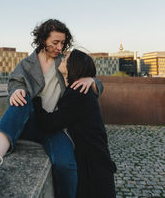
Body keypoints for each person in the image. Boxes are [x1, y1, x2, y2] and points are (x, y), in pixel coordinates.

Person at [0, 19, 101, 198]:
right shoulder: (25, 65)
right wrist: (16, 91)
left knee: (66, 166)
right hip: (30, 122)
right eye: (55, 42)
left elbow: (95, 81)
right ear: (43, 39)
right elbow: (14, 83)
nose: (59, 47)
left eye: (62, 43)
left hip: (56, 126)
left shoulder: (65, 62)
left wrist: (92, 80)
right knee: (20, 101)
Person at [33, 49, 117, 198]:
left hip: (93, 168)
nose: (63, 59)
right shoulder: (79, 91)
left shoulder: (78, 93)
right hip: (95, 162)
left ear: (73, 67)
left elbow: (50, 123)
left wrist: (36, 99)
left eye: (66, 59)